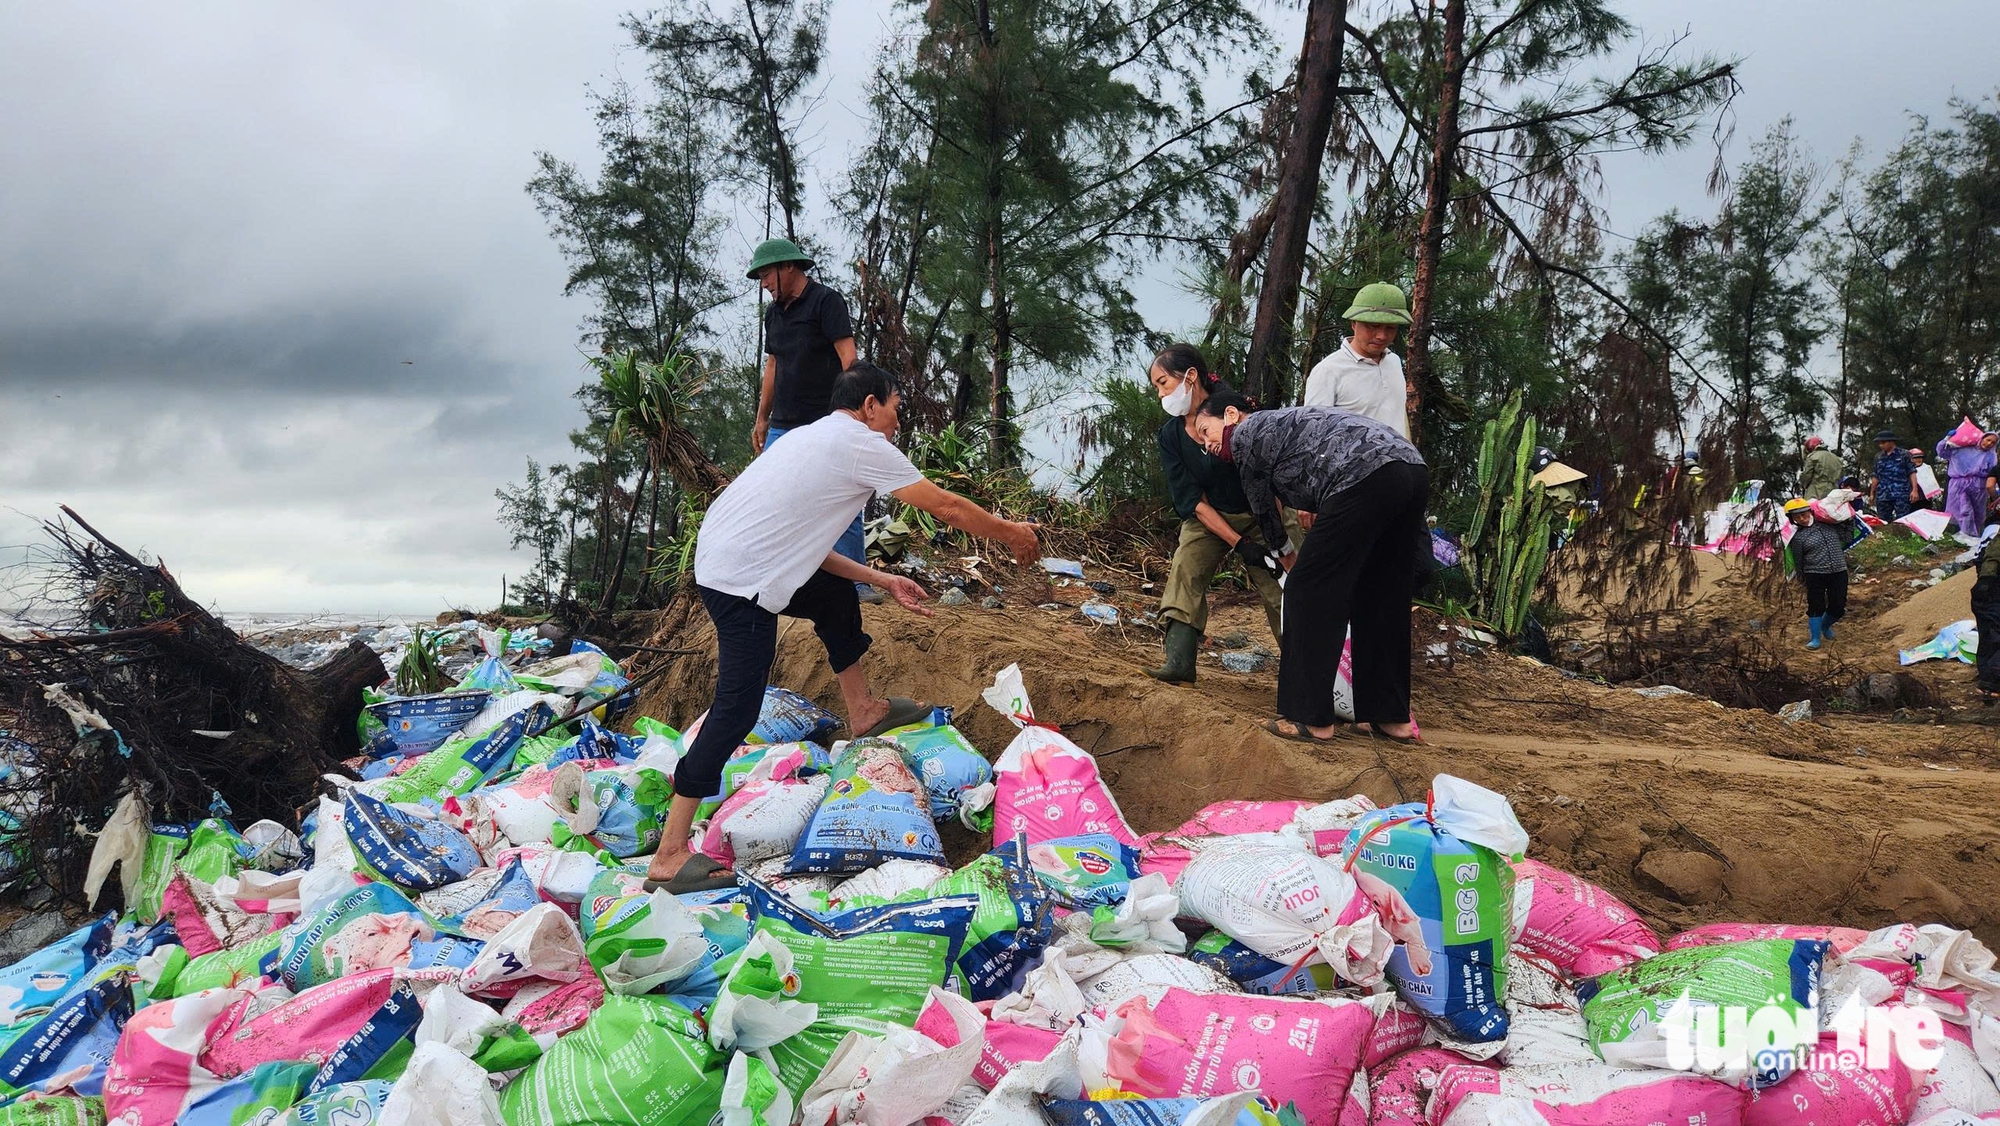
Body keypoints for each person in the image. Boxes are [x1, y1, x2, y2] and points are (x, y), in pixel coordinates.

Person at [647, 363, 1041, 891]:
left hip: (731, 559)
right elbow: (944, 506)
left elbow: (809, 547)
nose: (897, 420)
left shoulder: (812, 438)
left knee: (834, 596)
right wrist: (1011, 532)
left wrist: (881, 576)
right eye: (896, 408)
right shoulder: (861, 444)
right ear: (871, 404)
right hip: (740, 580)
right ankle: (670, 853)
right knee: (738, 705)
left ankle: (865, 711)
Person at [1190, 393, 1428, 744]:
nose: (1207, 443)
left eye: (1205, 430)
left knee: (1307, 591)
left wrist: (1287, 557)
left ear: (1230, 415)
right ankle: (1390, 717)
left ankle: (1308, 718)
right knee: (1380, 594)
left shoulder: (1247, 432)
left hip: (1363, 475)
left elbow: (1263, 509)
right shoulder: (1287, 426)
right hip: (1411, 469)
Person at [1144, 344, 1292, 683]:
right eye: (1157, 387)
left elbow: (1269, 474)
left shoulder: (1235, 409)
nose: (1161, 394)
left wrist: (1278, 537)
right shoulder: (1170, 436)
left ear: (1190, 377)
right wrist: (1239, 544)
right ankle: (1179, 662)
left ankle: (1313, 676)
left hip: (1263, 512)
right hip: (1210, 517)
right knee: (1186, 568)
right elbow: (1192, 502)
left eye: (1163, 383)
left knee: (1286, 589)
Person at [745, 238, 875, 599]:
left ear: (789, 267)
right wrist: (761, 418)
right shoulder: (774, 314)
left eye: (766, 274)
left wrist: (857, 413)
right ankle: (782, 579)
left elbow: (849, 358)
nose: (763, 283)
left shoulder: (826, 302)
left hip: (827, 421)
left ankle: (856, 583)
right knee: (774, 496)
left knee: (841, 498)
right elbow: (773, 365)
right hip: (783, 424)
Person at [1301, 282, 1412, 437]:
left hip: (1398, 459)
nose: (1382, 336)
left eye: (1390, 328)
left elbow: (1399, 418)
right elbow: (1313, 434)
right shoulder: (1328, 371)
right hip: (1352, 461)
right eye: (1373, 326)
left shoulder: (1393, 362)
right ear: (1354, 323)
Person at [1784, 499, 1848, 650]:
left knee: (1838, 606)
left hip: (1839, 571)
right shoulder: (1797, 538)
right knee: (1815, 606)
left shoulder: (1829, 525)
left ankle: (1824, 627)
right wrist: (1801, 577)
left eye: (1804, 514)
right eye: (1796, 516)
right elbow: (1799, 560)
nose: (1801, 518)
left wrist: (1849, 520)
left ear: (1810, 512)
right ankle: (1815, 638)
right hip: (1814, 574)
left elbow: (1847, 538)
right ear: (1792, 519)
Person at [1937, 423, 1999, 538]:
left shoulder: (1991, 456)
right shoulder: (1962, 448)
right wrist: (1947, 439)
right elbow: (1942, 452)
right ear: (1983, 438)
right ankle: (1961, 536)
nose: (1989, 443)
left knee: (1977, 513)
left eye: (1993, 443)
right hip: (1958, 484)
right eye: (1988, 440)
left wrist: (1995, 491)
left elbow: (1993, 474)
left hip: (1979, 486)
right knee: (1962, 510)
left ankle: (1974, 538)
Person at [1971, 528, 2000, 701]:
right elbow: (1991, 560)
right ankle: (1991, 684)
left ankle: (1987, 682)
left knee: (1988, 637)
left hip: (1985, 590)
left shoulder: (1991, 534)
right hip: (1990, 590)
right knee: (1994, 635)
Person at [1870, 430, 1918, 521]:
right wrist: (1872, 493)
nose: (1881, 445)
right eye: (1879, 443)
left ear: (1891, 442)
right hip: (1883, 494)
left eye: (1883, 442)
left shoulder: (1905, 455)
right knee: (1882, 522)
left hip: (1901, 493)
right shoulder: (1878, 457)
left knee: (1903, 521)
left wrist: (1915, 490)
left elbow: (1912, 472)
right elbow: (1875, 476)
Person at [1799, 436, 1842, 501]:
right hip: (1833, 492)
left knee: (1812, 509)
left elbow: (1806, 476)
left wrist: (1802, 481)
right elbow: (1840, 476)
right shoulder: (1837, 459)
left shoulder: (1813, 457)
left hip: (1815, 492)